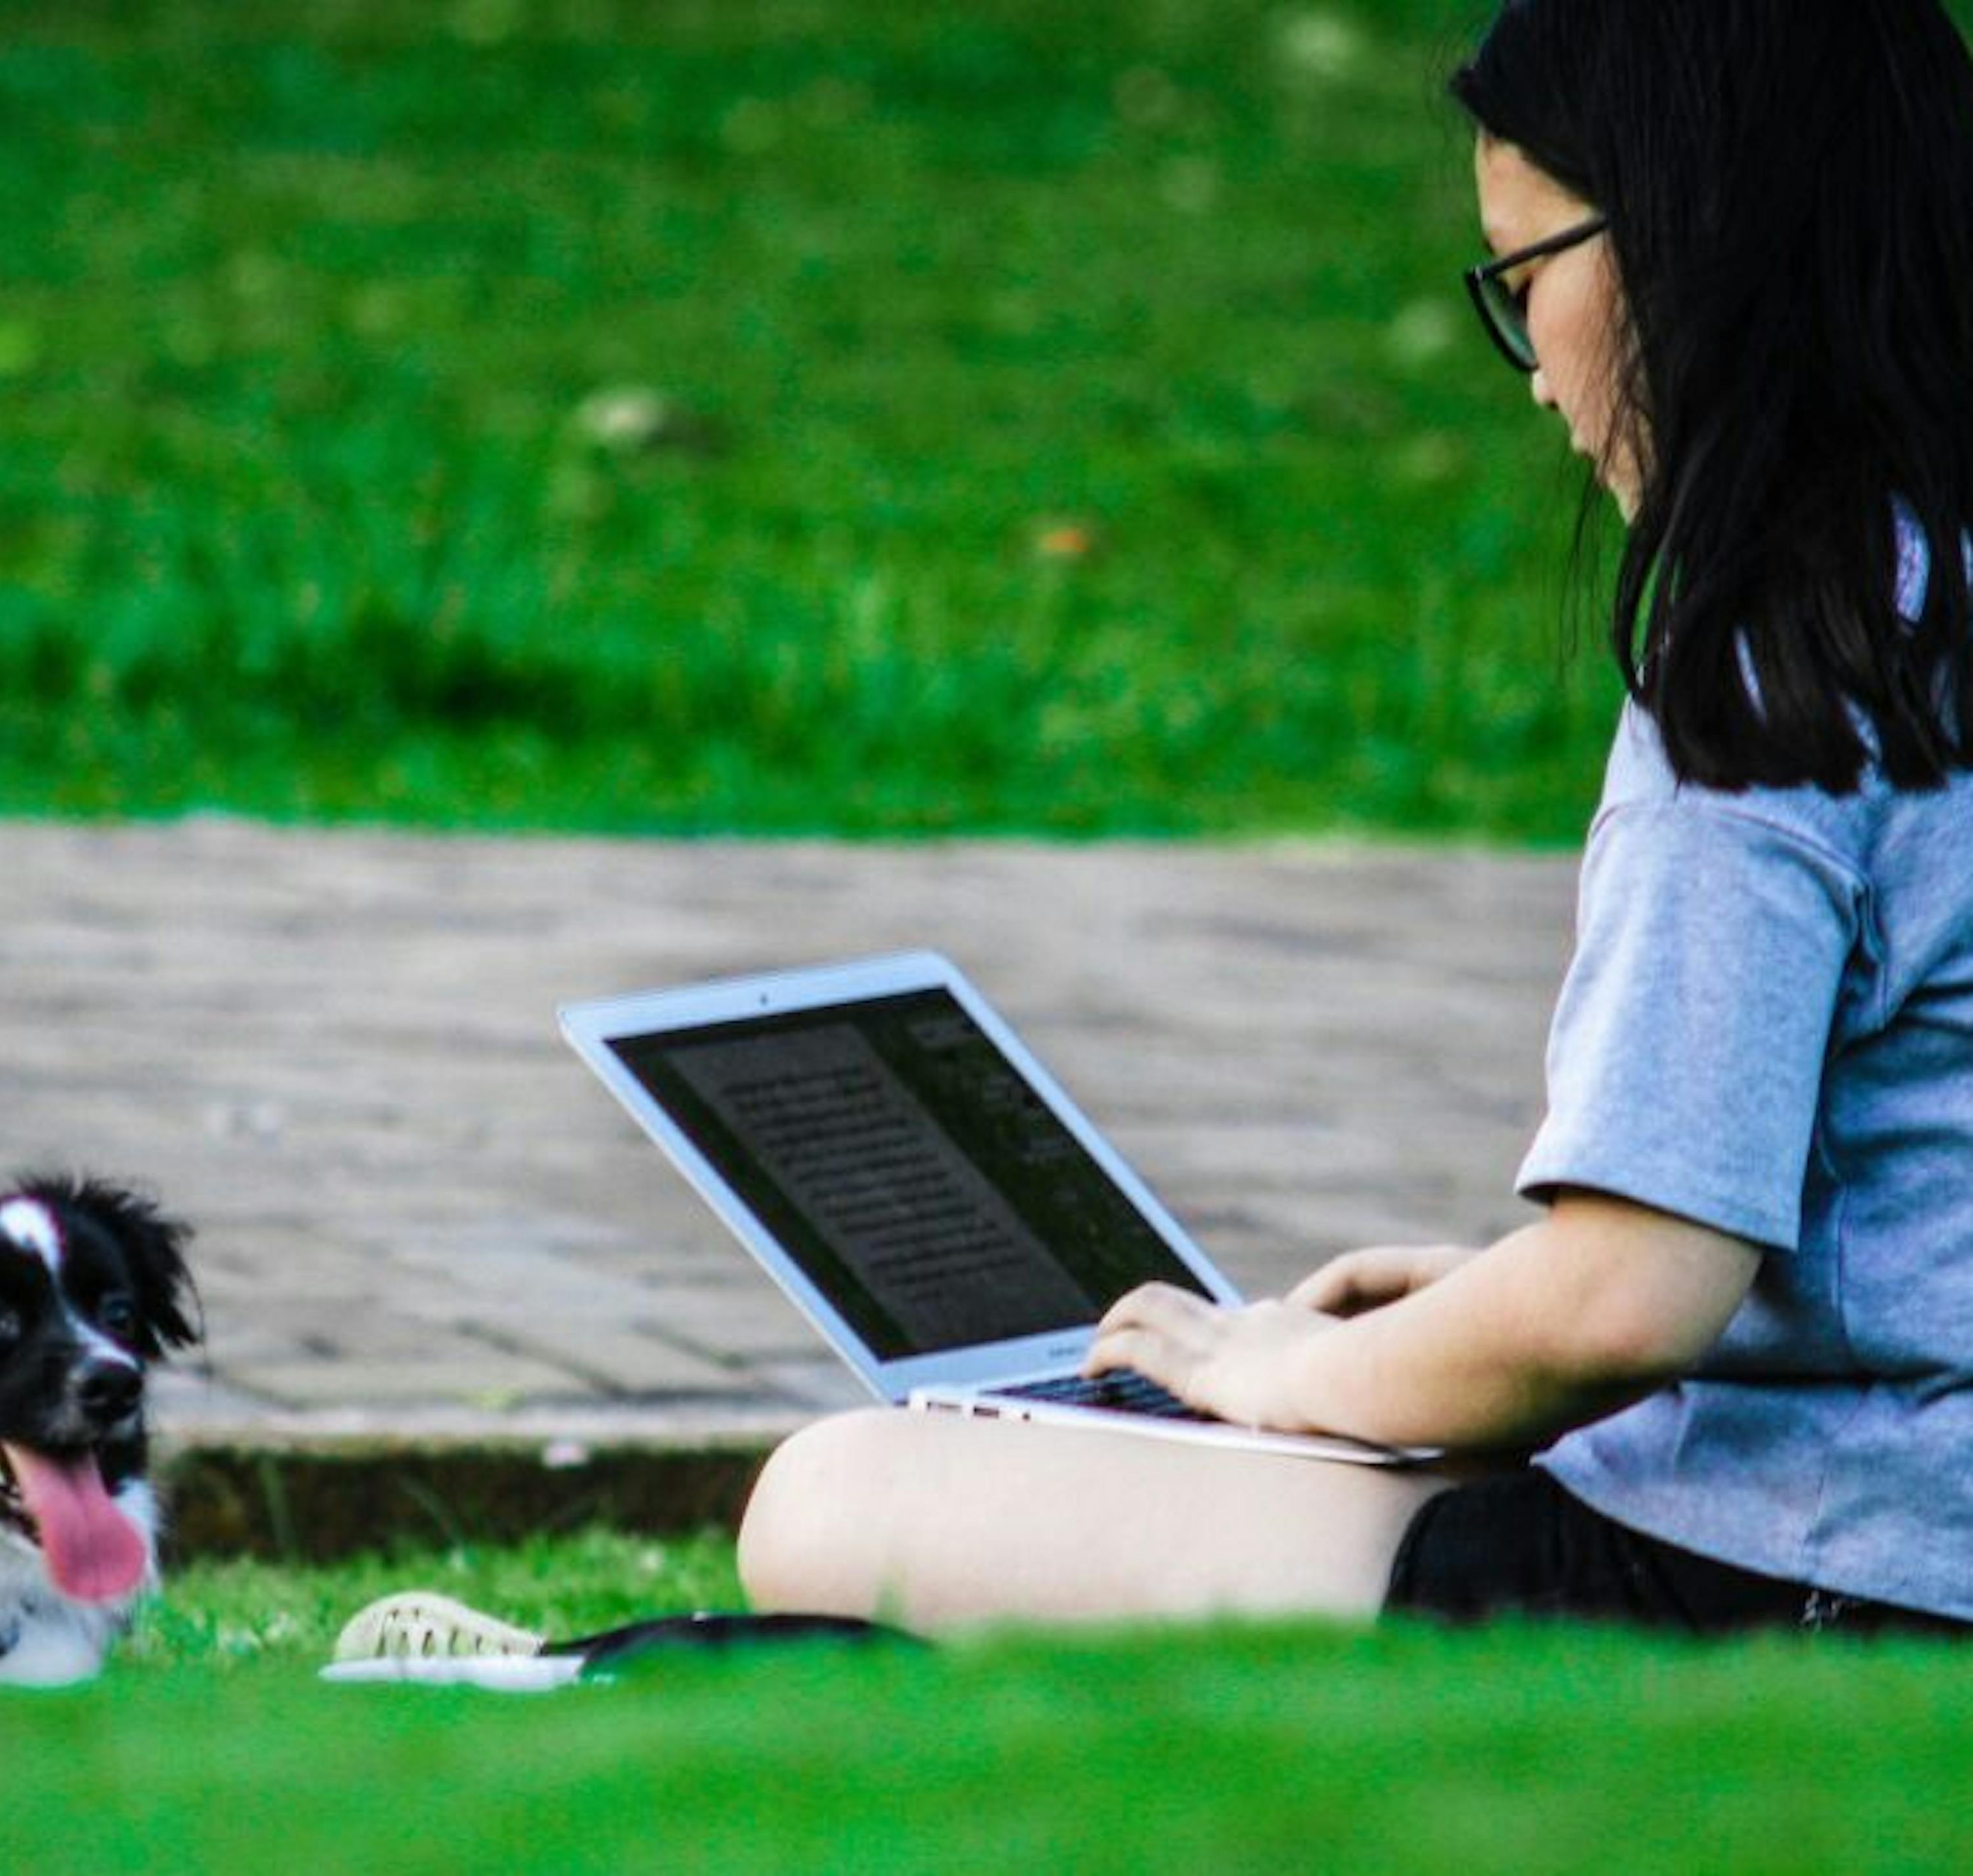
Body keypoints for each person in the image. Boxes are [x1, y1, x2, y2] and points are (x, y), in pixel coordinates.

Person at [734, 0, 1973, 1639]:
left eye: (1526, 280)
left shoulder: (1782, 671)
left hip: (1817, 1572)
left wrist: (1294, 1370)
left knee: (840, 1494)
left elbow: (1624, 1300)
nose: (1535, 375)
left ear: (1689, 244)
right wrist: (1473, 1312)